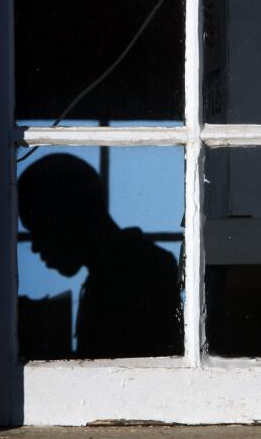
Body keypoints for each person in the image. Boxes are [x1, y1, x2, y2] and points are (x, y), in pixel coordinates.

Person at [17, 153, 183, 359]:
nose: (34, 247)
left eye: (39, 230)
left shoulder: (132, 275)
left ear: (70, 218)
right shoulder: (135, 267)